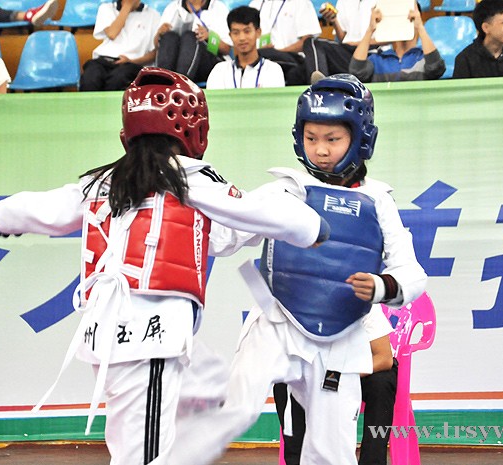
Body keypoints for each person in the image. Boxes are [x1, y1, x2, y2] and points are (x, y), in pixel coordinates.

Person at [0, 67, 328, 465]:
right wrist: (311, 227)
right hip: (149, 338)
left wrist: (2, 217)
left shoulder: (102, 182)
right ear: (193, 130)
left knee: (204, 391)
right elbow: (257, 213)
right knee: (143, 455)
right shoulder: (190, 180)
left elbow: (30, 209)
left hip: (108, 335)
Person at [167, 73, 427, 465]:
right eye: (311, 137)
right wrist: (188, 205)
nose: (320, 149)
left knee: (331, 452)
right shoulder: (286, 189)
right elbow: (225, 237)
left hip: (340, 338)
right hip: (279, 325)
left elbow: (411, 271)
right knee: (238, 403)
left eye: (332, 139)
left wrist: (383, 285)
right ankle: (184, 415)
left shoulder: (378, 201)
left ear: (360, 139)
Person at [275, 315, 399, 465]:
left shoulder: (365, 306)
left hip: (362, 369)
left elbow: (384, 358)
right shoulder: (301, 308)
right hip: (321, 370)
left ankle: (373, 461)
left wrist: (343, 375)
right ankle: (297, 460)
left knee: (382, 383)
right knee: (284, 382)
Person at [349, 3, 445, 82]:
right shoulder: (377, 59)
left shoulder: (423, 58)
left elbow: (436, 68)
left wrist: (420, 27)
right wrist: (370, 29)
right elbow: (356, 72)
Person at [79, 0, 160, 91]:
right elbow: (112, 34)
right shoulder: (106, 8)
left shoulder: (153, 15)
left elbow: (154, 54)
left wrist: (131, 61)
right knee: (91, 77)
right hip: (104, 60)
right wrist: (127, 7)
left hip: (132, 64)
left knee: (119, 78)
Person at [206, 5, 285, 89]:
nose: (242, 38)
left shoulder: (272, 70)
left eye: (247, 31)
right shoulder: (220, 71)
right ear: (230, 35)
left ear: (258, 33)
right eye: (236, 33)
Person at [303, 0, 381, 84]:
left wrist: (358, 44)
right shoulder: (343, 1)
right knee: (312, 42)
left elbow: (388, 38)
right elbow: (342, 38)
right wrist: (334, 21)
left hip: (373, 53)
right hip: (348, 51)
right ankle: (319, 85)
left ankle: (321, 86)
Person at [155, 0, 231, 84]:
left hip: (208, 64)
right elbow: (156, 46)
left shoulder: (218, 7)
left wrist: (209, 37)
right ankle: (162, 83)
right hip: (176, 63)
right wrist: (159, 33)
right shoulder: (173, 7)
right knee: (169, 37)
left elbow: (226, 48)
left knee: (190, 37)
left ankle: (181, 84)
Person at [248, 0, 322, 86]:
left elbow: (308, 42)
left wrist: (277, 51)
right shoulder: (255, 4)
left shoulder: (300, 2)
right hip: (260, 57)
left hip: (293, 58)